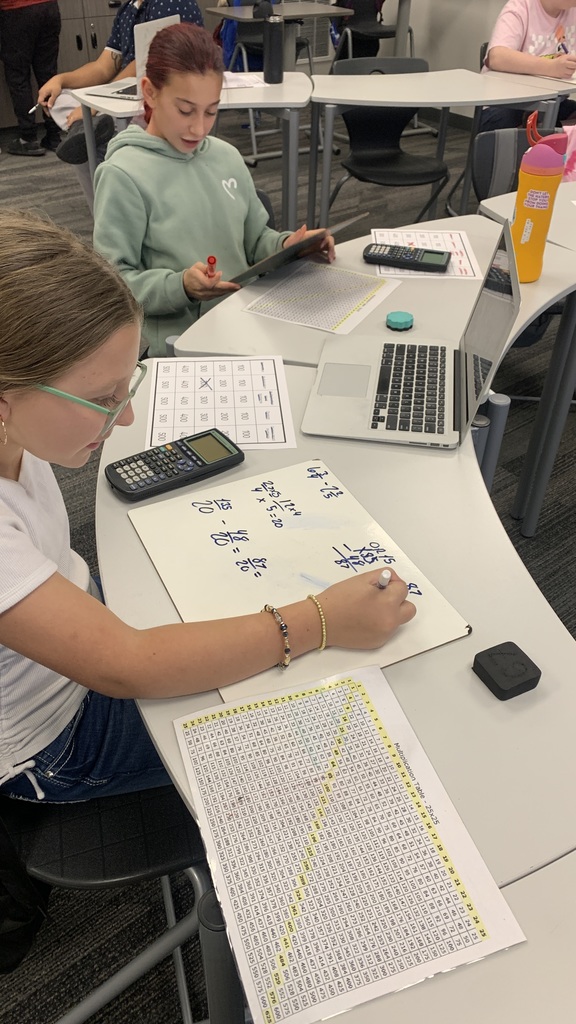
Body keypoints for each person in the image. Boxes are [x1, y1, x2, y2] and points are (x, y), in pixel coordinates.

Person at [0, 209, 416, 804]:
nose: (129, 418)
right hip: (56, 738)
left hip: (77, 638)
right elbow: (126, 666)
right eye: (101, 398)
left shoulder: (20, 422)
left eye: (126, 387)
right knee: (332, 733)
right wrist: (321, 620)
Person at [93, 23, 335, 357]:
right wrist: (180, 287)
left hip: (248, 324)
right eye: (185, 110)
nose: (199, 127)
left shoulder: (226, 156)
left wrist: (288, 245)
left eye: (211, 110)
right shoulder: (123, 175)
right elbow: (114, 285)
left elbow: (253, 242)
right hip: (182, 345)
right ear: (150, 92)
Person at [37, 0, 204, 167]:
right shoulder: (127, 9)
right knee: (60, 99)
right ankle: (90, 129)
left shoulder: (172, 3)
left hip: (161, 100)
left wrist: (97, 105)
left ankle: (90, 129)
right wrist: (60, 80)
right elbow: (103, 66)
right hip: (129, 94)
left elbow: (147, 63)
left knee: (88, 145)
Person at [480, 0, 576, 131]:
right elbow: (497, 57)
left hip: (552, 103)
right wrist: (551, 67)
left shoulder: (572, 10)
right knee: (507, 123)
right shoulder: (520, 8)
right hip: (508, 104)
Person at [0, 0, 61, 157]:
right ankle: (54, 136)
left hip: (17, 10)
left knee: (18, 76)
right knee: (48, 75)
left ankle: (28, 138)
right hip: (49, 8)